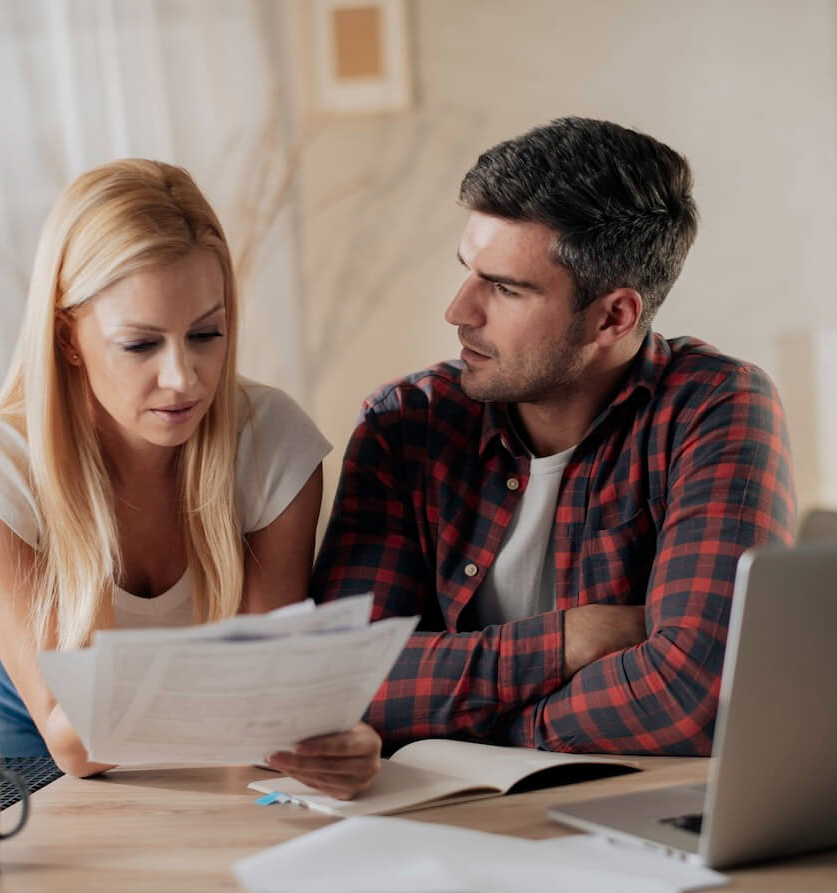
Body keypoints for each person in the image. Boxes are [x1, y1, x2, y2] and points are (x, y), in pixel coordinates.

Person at [313, 117, 797, 756]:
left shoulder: (716, 409)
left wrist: (493, 731)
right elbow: (333, 680)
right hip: (438, 824)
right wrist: (569, 640)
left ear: (612, 316)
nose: (458, 311)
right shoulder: (406, 423)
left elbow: (699, 694)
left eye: (506, 288)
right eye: (469, 270)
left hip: (629, 825)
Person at [0, 159, 379, 797]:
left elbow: (270, 704)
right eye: (141, 345)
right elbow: (78, 746)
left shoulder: (272, 443)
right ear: (67, 339)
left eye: (206, 333)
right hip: (17, 706)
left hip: (165, 719)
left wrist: (329, 740)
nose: (184, 378)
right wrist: (248, 701)